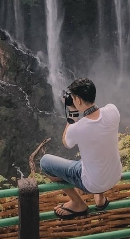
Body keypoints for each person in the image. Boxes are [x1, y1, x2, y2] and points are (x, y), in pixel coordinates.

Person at [40, 78, 121, 219]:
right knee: (97, 153)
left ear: (77, 100)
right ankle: (100, 200)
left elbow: (66, 142)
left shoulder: (78, 128)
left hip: (92, 183)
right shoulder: (113, 110)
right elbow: (98, 121)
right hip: (114, 176)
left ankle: (78, 203)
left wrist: (72, 113)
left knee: (45, 162)